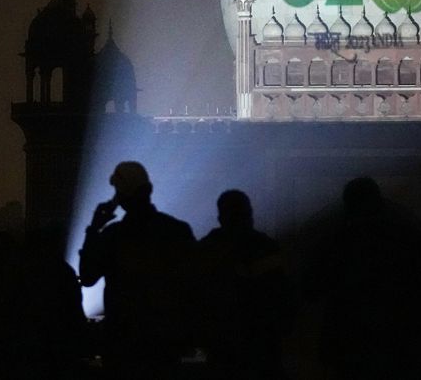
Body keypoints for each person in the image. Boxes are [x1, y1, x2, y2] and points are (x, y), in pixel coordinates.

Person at [311, 177, 421, 379]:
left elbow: (312, 288)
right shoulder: (408, 237)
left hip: (349, 345)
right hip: (400, 343)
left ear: (348, 205)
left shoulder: (335, 242)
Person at [79, 161, 195, 378]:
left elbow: (87, 277)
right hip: (164, 342)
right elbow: (193, 285)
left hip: (122, 343)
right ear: (149, 190)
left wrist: (94, 229)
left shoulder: (112, 236)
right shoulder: (177, 231)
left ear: (120, 198)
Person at [196, 190, 295, 378]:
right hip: (261, 347)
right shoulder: (265, 248)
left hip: (221, 348)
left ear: (220, 217)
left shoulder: (206, 250)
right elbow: (282, 295)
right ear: (249, 213)